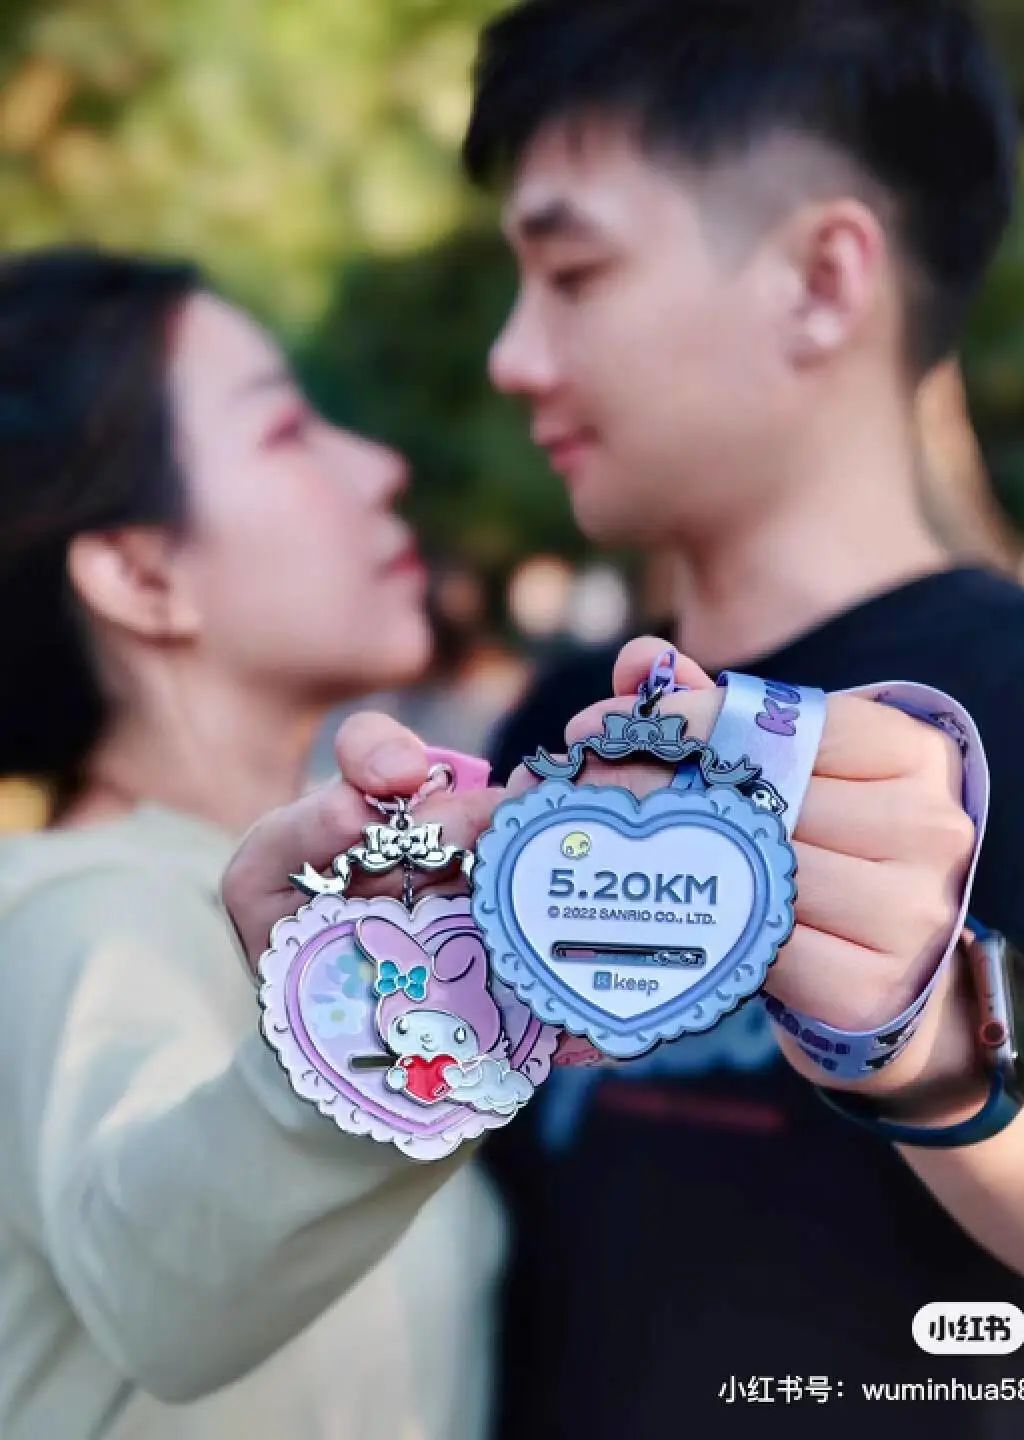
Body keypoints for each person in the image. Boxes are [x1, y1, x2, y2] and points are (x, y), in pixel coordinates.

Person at [453, 0, 1024, 1433]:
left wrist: (923, 1024)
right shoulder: (558, 716)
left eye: (572, 272)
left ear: (821, 279)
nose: (514, 356)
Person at [0, 247, 506, 1440]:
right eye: (285, 430)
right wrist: (397, 1021)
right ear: (140, 573)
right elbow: (160, 1277)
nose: (380, 467)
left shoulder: (306, 882)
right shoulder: (71, 911)